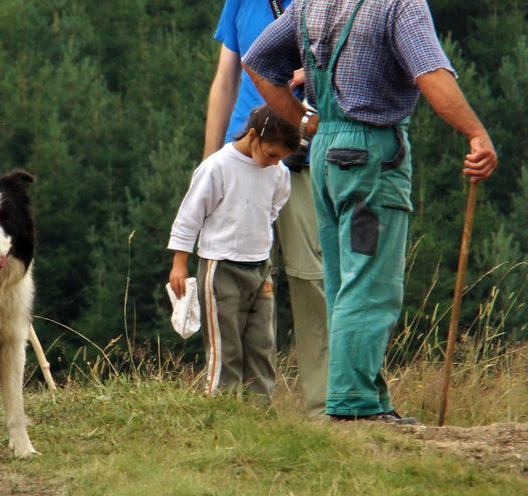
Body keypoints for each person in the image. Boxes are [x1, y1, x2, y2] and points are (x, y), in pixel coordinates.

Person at [242, 0, 497, 423]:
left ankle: (369, 400)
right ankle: (354, 406)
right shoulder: (400, 4)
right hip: (370, 159)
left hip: (325, 156)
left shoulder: (310, 3)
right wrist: (476, 133)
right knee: (370, 283)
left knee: (346, 280)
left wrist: (306, 122)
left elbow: (257, 62)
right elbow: (431, 76)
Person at [205, 0, 328, 419]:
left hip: (303, 155)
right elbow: (225, 81)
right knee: (235, 282)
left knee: (309, 278)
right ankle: (241, 408)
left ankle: (323, 406)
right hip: (242, 156)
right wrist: (210, 161)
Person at [168, 106, 300, 404]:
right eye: (271, 154)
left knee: (262, 344)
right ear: (253, 135)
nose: (274, 162)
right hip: (220, 267)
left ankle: (258, 412)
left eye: (281, 158)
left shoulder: (278, 172)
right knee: (226, 346)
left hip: (260, 268)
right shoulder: (217, 167)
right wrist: (180, 262)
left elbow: (274, 208)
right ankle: (221, 408)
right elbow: (190, 216)